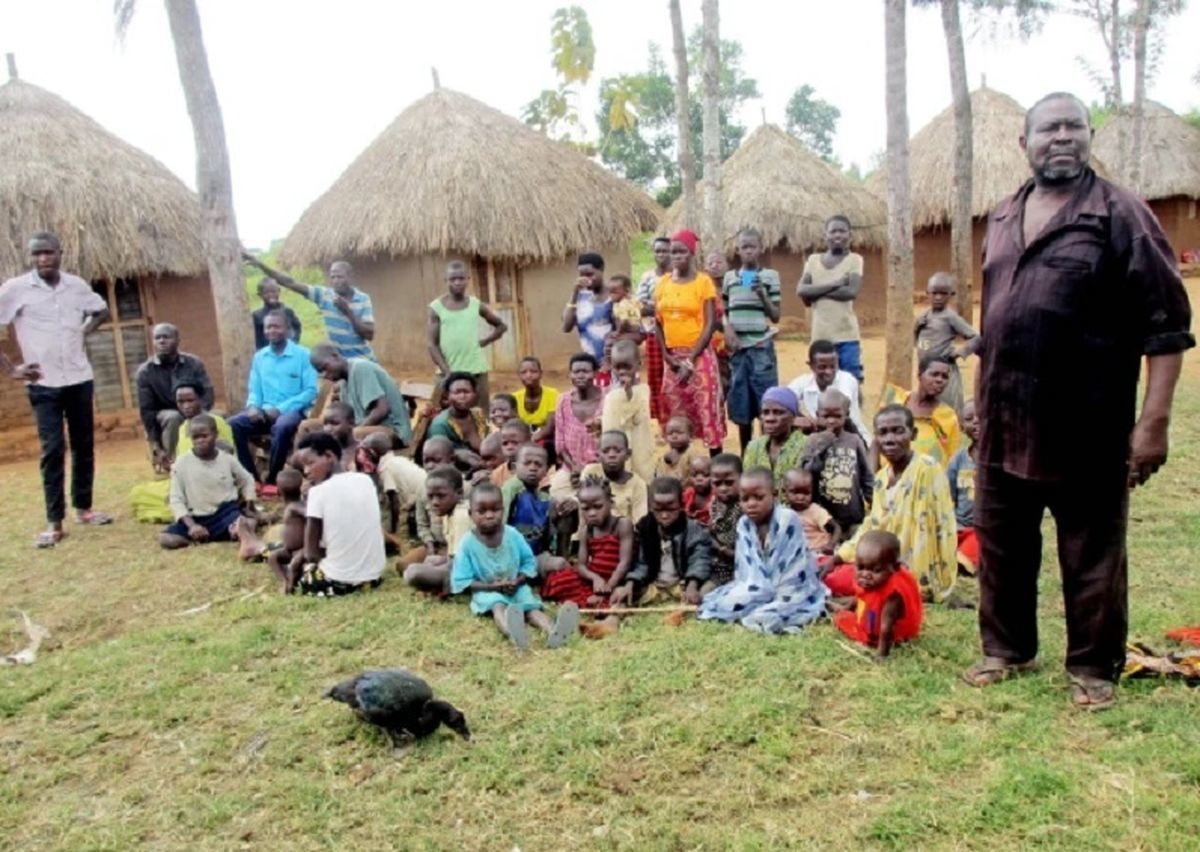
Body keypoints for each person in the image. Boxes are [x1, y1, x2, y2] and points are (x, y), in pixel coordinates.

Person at [964, 93, 1193, 710]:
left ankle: (1092, 666)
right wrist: (980, 401)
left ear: (1090, 137)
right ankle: (1006, 648)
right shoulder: (1005, 215)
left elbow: (1167, 328)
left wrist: (1154, 423)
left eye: (1073, 126)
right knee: (1003, 541)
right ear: (1025, 143)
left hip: (1087, 424)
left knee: (1091, 550)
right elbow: (997, 318)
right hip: (1005, 419)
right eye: (1048, 128)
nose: (1061, 137)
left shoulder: (1122, 215)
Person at [0, 231, 113, 547]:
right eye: (37, 254)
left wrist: (84, 331)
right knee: (52, 450)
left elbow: (101, 309)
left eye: (48, 252)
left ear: (60, 253)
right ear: (30, 257)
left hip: (78, 378)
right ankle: (55, 521)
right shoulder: (16, 289)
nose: (43, 259)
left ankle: (84, 508)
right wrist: (12, 370)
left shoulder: (75, 286)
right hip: (43, 383)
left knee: (83, 444)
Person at [831, 405, 958, 604]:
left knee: (854, 582)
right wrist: (837, 557)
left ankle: (882, 593)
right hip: (883, 564)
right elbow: (872, 527)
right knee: (830, 575)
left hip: (912, 572)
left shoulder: (927, 469)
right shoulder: (882, 478)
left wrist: (910, 581)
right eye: (883, 433)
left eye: (898, 431)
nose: (890, 439)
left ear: (913, 434)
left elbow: (930, 534)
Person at [449, 482, 580, 651]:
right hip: (488, 590)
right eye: (482, 511)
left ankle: (554, 632)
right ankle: (515, 634)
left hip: (516, 586)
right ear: (470, 514)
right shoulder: (467, 543)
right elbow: (463, 579)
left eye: (495, 510)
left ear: (503, 510)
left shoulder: (512, 534)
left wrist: (519, 580)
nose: (489, 516)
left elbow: (528, 561)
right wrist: (491, 586)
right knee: (498, 607)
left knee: (532, 609)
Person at [698, 466, 827, 634]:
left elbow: (793, 572)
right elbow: (748, 572)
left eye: (759, 497)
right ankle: (759, 603)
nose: (751, 504)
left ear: (774, 495)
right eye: (745, 499)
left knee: (763, 615)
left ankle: (763, 607)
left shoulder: (788, 519)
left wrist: (765, 593)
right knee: (723, 601)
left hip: (790, 588)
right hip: (757, 587)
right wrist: (756, 591)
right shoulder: (744, 524)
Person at [288, 431, 386, 596]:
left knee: (300, 565)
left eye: (310, 463)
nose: (306, 471)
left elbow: (311, 555)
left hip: (338, 583)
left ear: (328, 456)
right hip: (374, 577)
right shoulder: (365, 480)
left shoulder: (318, 492)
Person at [654, 230, 726, 452]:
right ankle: (681, 469)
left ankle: (716, 466)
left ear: (692, 253)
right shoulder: (663, 283)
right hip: (672, 358)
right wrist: (667, 356)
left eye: (681, 251)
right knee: (677, 413)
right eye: (672, 252)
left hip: (699, 356)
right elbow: (657, 321)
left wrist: (690, 360)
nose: (676, 256)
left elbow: (710, 323)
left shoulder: (703, 282)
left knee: (706, 411)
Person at [229, 311, 318, 488]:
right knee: (232, 424)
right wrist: (253, 406)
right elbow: (255, 389)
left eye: (276, 326)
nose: (271, 331)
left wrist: (281, 409)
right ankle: (251, 477)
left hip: (293, 411)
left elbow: (310, 390)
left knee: (283, 426)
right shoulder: (260, 357)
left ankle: (273, 478)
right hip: (263, 412)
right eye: (267, 327)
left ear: (288, 330)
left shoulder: (303, 355)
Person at [244, 254, 376, 360]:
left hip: (363, 360)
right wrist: (261, 265)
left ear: (350, 277)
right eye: (332, 277)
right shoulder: (324, 296)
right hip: (341, 362)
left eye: (339, 277)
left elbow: (369, 335)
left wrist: (348, 312)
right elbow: (290, 283)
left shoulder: (363, 299)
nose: (335, 281)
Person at [722, 228, 782, 452]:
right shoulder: (730, 278)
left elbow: (775, 315)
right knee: (741, 404)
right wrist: (728, 329)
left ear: (760, 249)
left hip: (761, 348)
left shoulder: (770, 276)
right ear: (738, 250)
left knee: (766, 405)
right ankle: (747, 454)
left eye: (752, 247)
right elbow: (724, 310)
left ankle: (767, 454)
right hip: (738, 351)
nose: (748, 251)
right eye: (744, 247)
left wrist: (762, 294)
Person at [160, 415, 257, 549]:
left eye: (204, 436)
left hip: (225, 513)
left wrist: (249, 501)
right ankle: (202, 536)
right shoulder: (181, 463)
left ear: (215, 434)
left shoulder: (227, 459)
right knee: (167, 539)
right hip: (196, 517)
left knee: (246, 524)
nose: (200, 441)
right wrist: (192, 526)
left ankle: (233, 531)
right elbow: (176, 498)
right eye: (195, 437)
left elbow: (247, 479)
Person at [613, 477, 712, 607]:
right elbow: (641, 563)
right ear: (650, 506)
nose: (664, 515)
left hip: (682, 584)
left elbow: (699, 560)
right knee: (621, 593)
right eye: (658, 510)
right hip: (653, 585)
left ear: (681, 505)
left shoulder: (692, 529)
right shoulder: (645, 528)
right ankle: (612, 620)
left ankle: (684, 608)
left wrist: (692, 585)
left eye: (671, 509)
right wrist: (631, 583)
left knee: (709, 588)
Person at [541, 475, 636, 611]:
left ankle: (600, 600)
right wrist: (595, 578)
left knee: (613, 597)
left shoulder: (622, 524)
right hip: (594, 579)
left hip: (616, 578)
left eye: (598, 507)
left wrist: (608, 586)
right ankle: (590, 599)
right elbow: (581, 565)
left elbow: (624, 563)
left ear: (610, 502)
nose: (592, 513)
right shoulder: (587, 530)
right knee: (557, 580)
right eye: (585, 508)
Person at [135, 323, 215, 473]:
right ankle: (175, 466)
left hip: (195, 410)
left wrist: (200, 414)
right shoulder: (145, 372)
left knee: (218, 418)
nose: (161, 341)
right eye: (157, 338)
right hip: (165, 415)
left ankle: (216, 462)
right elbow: (147, 411)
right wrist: (155, 445)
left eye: (166, 337)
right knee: (174, 417)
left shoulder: (193, 363)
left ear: (178, 340)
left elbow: (207, 392)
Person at [831, 531, 924, 659]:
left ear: (894, 568)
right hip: (877, 614)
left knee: (842, 620)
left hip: (893, 634)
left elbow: (886, 627)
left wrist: (881, 654)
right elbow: (863, 595)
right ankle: (846, 606)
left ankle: (845, 611)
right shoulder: (876, 581)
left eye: (875, 570)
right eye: (860, 567)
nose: (865, 574)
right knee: (860, 602)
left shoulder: (893, 594)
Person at [427, 260, 508, 406]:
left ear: (467, 280)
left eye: (461, 278)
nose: (457, 282)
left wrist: (484, 341)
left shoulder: (475, 304)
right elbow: (432, 345)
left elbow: (501, 326)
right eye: (453, 279)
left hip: (476, 371)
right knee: (441, 414)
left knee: (481, 417)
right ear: (446, 281)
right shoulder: (436, 307)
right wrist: (447, 372)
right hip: (447, 372)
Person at [798, 215, 864, 384]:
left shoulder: (854, 260)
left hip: (847, 335)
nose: (837, 235)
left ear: (849, 234)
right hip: (820, 337)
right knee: (823, 384)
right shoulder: (813, 260)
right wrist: (836, 283)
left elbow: (851, 292)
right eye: (833, 231)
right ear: (825, 234)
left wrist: (816, 292)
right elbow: (801, 290)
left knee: (851, 383)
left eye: (842, 231)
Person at [308, 343, 413, 448]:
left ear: (335, 356)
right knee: (307, 426)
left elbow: (381, 409)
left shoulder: (360, 368)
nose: (324, 375)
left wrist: (355, 429)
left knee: (353, 435)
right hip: (367, 429)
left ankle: (343, 463)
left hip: (391, 431)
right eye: (320, 372)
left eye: (325, 367)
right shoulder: (344, 382)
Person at [801, 388, 873, 535]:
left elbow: (866, 476)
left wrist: (874, 502)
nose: (831, 421)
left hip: (852, 514)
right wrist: (821, 448)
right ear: (818, 415)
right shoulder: (812, 441)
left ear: (846, 415)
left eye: (837, 416)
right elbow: (805, 475)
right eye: (826, 416)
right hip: (823, 518)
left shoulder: (854, 441)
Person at [878, 354, 962, 469]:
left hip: (929, 482)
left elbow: (954, 459)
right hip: (890, 479)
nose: (939, 380)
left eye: (944, 377)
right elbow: (876, 442)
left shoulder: (948, 416)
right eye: (934, 374)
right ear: (919, 375)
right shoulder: (895, 399)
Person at [549, 353, 604, 521]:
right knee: (556, 499)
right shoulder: (563, 401)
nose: (580, 376)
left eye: (586, 371)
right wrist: (574, 468)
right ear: (570, 374)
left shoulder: (608, 400)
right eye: (576, 372)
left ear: (595, 373)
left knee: (593, 501)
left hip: (600, 469)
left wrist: (587, 471)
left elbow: (611, 442)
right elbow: (560, 445)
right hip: (570, 469)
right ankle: (560, 545)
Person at [914, 272, 979, 413]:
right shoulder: (924, 316)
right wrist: (917, 326)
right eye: (934, 293)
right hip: (926, 371)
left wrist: (960, 352)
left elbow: (976, 338)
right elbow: (917, 340)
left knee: (947, 408)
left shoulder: (950, 317)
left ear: (951, 294)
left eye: (943, 294)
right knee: (928, 407)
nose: (938, 297)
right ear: (927, 293)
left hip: (943, 371)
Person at [402, 465, 471, 594]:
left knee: (413, 573)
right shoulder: (447, 513)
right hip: (458, 562)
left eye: (441, 496)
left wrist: (435, 570)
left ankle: (450, 587)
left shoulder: (462, 516)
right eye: (431, 496)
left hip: (472, 569)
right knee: (429, 561)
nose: (435, 502)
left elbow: (459, 563)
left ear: (459, 493)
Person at [499, 444, 564, 575]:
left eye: (538, 464)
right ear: (514, 467)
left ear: (546, 470)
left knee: (560, 564)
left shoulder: (545, 498)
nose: (533, 468)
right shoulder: (510, 489)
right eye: (527, 463)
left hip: (533, 557)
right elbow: (499, 524)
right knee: (559, 566)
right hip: (508, 560)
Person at [787, 340, 871, 440]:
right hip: (822, 436)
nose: (828, 371)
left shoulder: (846, 381)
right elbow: (779, 401)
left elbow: (838, 417)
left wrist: (808, 422)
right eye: (822, 367)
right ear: (811, 366)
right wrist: (795, 418)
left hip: (851, 437)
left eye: (833, 366)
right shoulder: (804, 382)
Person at [396, 436, 456, 574]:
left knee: (439, 568)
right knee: (403, 565)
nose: (430, 466)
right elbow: (422, 523)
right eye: (426, 461)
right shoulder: (423, 489)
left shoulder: (461, 487)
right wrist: (429, 543)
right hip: (434, 546)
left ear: (452, 460)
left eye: (436, 460)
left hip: (455, 547)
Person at [601, 340, 655, 484]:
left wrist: (629, 394)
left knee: (642, 478)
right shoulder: (611, 392)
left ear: (638, 364)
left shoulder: (643, 390)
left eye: (627, 367)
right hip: (615, 448)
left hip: (638, 446)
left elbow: (636, 418)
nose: (622, 372)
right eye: (617, 367)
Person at [741, 387, 806, 493]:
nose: (769, 419)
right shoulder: (753, 447)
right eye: (765, 412)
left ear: (793, 417)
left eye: (778, 412)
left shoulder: (805, 446)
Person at [562, 252, 614, 385]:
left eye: (590, 274)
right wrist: (574, 293)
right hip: (589, 366)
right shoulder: (580, 296)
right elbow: (566, 327)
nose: (586, 279)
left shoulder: (613, 296)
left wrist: (610, 360)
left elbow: (621, 331)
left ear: (601, 269)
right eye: (581, 275)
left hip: (613, 365)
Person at [636, 235, 671, 423]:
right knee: (656, 377)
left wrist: (655, 307)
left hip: (675, 335)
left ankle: (678, 419)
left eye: (666, 251)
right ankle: (662, 420)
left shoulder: (677, 277)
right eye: (658, 251)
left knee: (673, 375)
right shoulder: (647, 277)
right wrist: (663, 308)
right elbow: (640, 307)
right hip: (653, 334)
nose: (662, 255)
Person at [579, 431, 648, 524]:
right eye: (605, 451)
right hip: (592, 528)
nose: (612, 455)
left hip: (623, 534)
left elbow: (639, 521)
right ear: (598, 455)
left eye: (618, 451)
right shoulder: (591, 472)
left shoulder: (638, 484)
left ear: (628, 454)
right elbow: (582, 504)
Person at [426, 372, 487, 469]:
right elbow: (437, 454)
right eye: (457, 392)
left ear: (475, 394)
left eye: (466, 392)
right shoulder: (441, 424)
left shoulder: (478, 416)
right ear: (448, 396)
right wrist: (457, 454)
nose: (462, 396)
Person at [945, 400, 979, 575]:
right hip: (959, 526)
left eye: (982, 415)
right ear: (962, 427)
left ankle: (962, 561)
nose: (976, 421)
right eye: (969, 418)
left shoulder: (1001, 458)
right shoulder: (958, 460)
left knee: (977, 544)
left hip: (985, 528)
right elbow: (947, 495)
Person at [781, 468, 839, 556]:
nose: (800, 497)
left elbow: (837, 528)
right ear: (784, 492)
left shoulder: (815, 511)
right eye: (795, 492)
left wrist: (830, 545)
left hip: (819, 551)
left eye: (806, 493)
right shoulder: (783, 513)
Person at [706, 454, 744, 586]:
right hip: (717, 566)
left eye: (729, 483)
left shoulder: (745, 507)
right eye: (717, 483)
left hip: (741, 565)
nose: (722, 488)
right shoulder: (714, 504)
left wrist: (722, 549)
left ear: (742, 479)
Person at [512, 356, 558, 464]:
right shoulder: (514, 398)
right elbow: (515, 425)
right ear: (519, 375)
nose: (529, 375)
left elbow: (549, 426)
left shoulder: (553, 394)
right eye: (524, 372)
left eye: (533, 371)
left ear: (541, 373)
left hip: (546, 438)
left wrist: (532, 440)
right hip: (523, 438)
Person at [251, 279, 301, 350]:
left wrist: (294, 341)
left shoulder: (288, 312)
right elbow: (256, 338)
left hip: (288, 350)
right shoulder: (257, 316)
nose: (271, 295)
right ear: (260, 295)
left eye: (274, 291)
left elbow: (297, 327)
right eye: (267, 293)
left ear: (279, 291)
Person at [655, 415, 703, 484]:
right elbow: (660, 473)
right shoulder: (665, 454)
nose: (674, 436)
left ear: (690, 436)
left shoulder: (692, 453)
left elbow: (696, 475)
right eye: (670, 433)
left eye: (679, 433)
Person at [491, 419, 532, 488]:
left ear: (528, 442)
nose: (509, 447)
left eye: (515, 442)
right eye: (505, 443)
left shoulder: (537, 468)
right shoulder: (497, 474)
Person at [322, 402, 359, 467]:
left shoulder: (362, 450)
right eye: (325, 424)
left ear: (351, 423)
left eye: (334, 423)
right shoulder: (322, 452)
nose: (328, 429)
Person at [682, 455, 714, 526]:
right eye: (694, 475)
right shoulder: (687, 494)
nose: (699, 479)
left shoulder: (716, 497)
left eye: (706, 475)